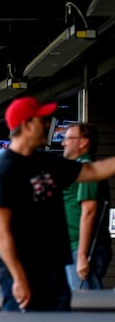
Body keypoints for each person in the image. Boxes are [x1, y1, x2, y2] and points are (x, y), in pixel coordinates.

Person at [0, 96, 115, 312]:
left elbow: (93, 171)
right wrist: (18, 278)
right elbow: (0, 231)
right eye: (42, 120)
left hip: (55, 271)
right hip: (23, 273)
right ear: (27, 125)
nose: (48, 125)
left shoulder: (46, 161)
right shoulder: (5, 169)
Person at [62, 122, 112, 290]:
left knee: (85, 308)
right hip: (73, 248)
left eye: (69, 138)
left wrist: (82, 256)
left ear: (83, 142)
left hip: (82, 250)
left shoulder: (86, 168)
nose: (63, 143)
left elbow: (89, 211)